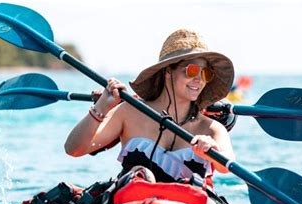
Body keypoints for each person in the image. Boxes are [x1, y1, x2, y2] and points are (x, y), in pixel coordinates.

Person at [65, 29, 236, 185]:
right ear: (168, 71)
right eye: (191, 71)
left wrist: (212, 151)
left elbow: (226, 166)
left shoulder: (211, 129)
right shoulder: (129, 112)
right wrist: (102, 106)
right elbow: (73, 149)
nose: (199, 80)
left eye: (206, 73)